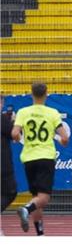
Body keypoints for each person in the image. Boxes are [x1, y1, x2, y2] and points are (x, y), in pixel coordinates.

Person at [11, 82, 70, 236]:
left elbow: (15, 133)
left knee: (36, 197)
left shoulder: (23, 112)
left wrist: (17, 138)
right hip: (45, 156)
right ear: (46, 94)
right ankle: (25, 209)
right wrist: (62, 141)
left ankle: (40, 233)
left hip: (29, 158)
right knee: (43, 198)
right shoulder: (52, 113)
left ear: (31, 94)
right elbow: (65, 137)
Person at [1, 96, 17, 226]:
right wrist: (13, 121)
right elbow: (14, 134)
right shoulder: (2, 120)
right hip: (3, 164)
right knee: (11, 192)